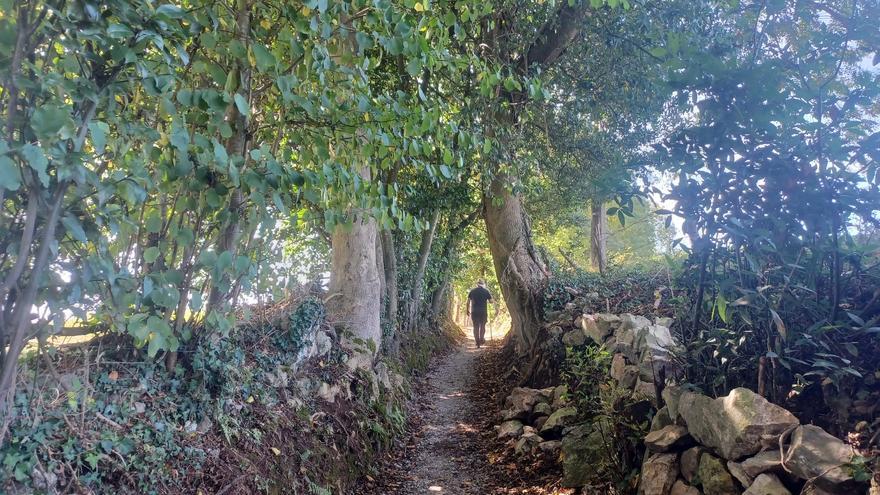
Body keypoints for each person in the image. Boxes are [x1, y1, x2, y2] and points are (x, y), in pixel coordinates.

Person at [467, 280, 493, 348]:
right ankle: (481, 338)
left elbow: (468, 301)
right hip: (483, 312)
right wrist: (490, 299)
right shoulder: (486, 291)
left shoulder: (472, 291)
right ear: (483, 284)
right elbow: (491, 301)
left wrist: (467, 310)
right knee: (482, 326)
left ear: (477, 284)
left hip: (474, 311)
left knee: (476, 327)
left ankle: (477, 342)